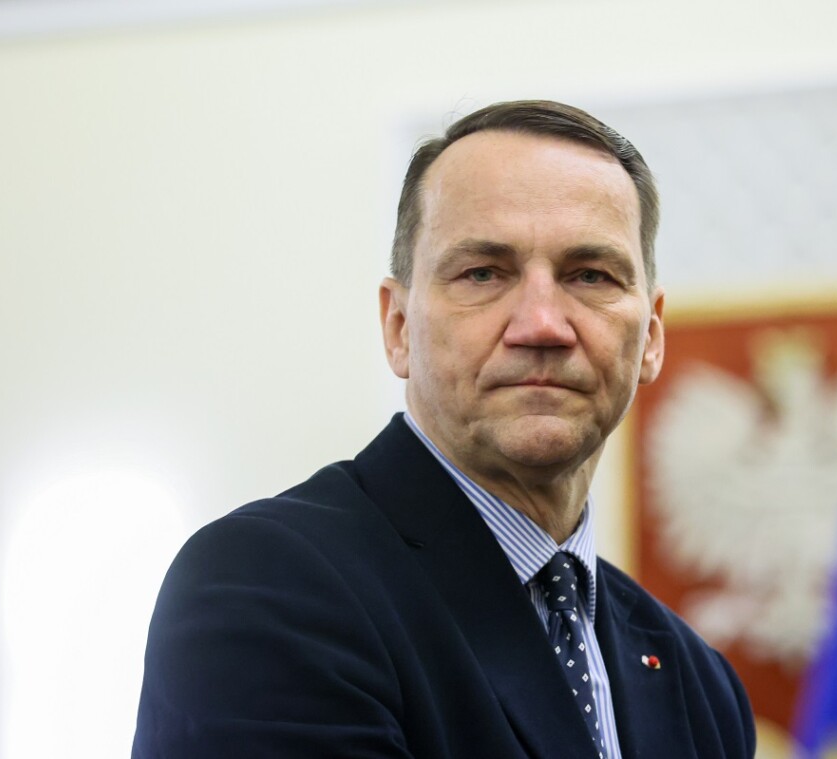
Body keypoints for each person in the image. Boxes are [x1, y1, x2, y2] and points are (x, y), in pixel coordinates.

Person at [133, 100, 755, 758]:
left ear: (651, 336)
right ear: (399, 327)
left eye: (590, 276)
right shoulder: (268, 587)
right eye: (483, 273)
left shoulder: (698, 682)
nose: (542, 324)